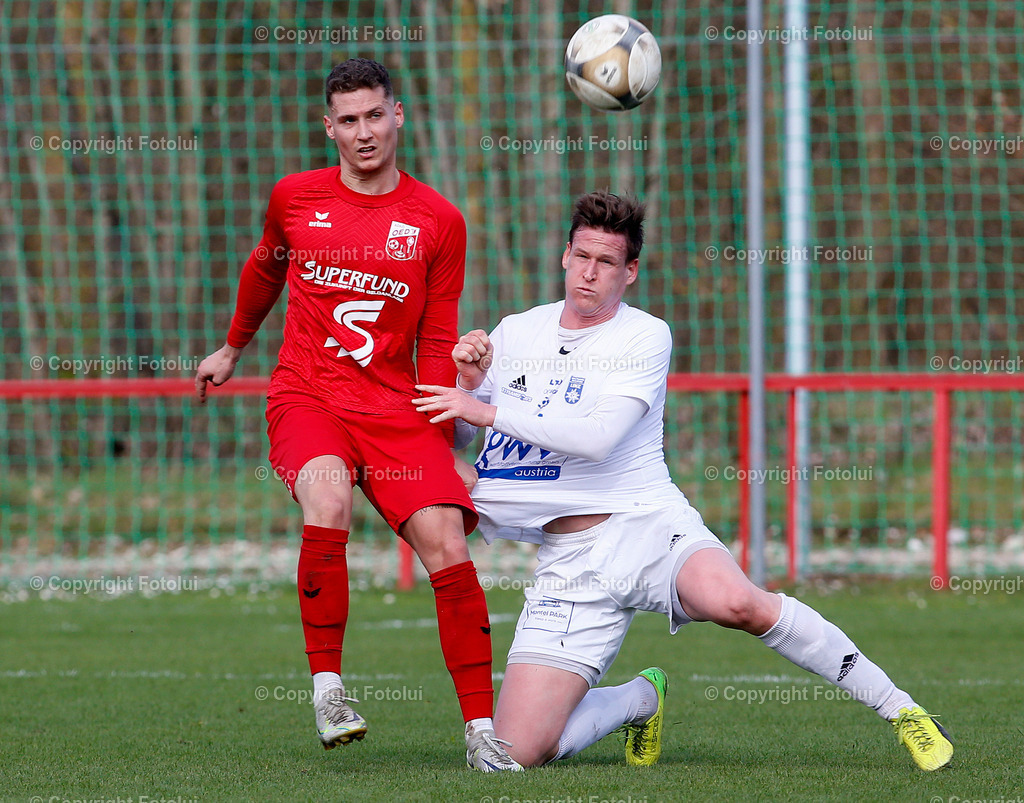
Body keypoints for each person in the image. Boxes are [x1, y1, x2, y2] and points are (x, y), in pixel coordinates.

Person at [412, 190, 954, 772]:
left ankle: (902, 711)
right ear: (565, 256)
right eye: (583, 257)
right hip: (567, 564)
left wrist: (485, 410)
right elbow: (464, 439)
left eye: (608, 263)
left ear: (631, 272)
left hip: (644, 524)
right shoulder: (518, 332)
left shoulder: (644, 337)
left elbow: (597, 437)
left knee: (740, 603)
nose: (591, 274)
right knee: (510, 756)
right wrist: (468, 385)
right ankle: (639, 699)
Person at [194, 58, 518, 772]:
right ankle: (330, 689)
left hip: (397, 409)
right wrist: (232, 347)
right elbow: (264, 267)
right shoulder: (295, 198)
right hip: (308, 394)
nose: (363, 132)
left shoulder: (438, 220)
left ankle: (481, 731)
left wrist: (441, 442)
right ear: (328, 127)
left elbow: (438, 338)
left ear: (398, 115)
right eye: (348, 120)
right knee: (329, 494)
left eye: (375, 115)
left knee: (446, 541)